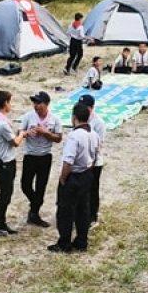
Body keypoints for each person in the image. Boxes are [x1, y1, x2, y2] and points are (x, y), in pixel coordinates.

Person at [48, 103, 100, 253]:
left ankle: (64, 243)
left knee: (65, 210)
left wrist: (63, 178)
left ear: (74, 118)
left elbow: (68, 161)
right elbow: (96, 157)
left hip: (74, 176)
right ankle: (81, 240)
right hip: (87, 174)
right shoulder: (94, 134)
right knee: (83, 209)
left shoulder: (74, 136)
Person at [0, 90, 26, 243]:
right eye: (10, 102)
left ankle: (0, 224)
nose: (11, 105)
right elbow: (15, 142)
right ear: (5, 103)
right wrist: (22, 133)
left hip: (0, 161)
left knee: (5, 194)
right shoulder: (2, 123)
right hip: (6, 164)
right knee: (5, 197)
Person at [20, 91, 63, 227]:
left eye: (38, 103)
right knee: (25, 184)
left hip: (45, 156)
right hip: (30, 155)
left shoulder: (54, 119)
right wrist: (26, 133)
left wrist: (46, 133)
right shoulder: (28, 116)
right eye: (34, 102)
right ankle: (36, 204)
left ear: (46, 104)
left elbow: (59, 138)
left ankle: (34, 213)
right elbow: (19, 133)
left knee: (41, 186)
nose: (36, 105)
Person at [78, 94, 106, 229]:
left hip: (94, 162)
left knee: (92, 189)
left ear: (92, 107)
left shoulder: (98, 123)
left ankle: (92, 216)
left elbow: (99, 145)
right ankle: (81, 215)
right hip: (81, 162)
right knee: (81, 190)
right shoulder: (79, 119)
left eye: (85, 107)